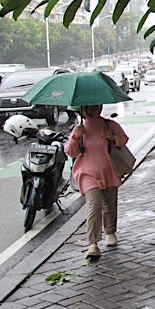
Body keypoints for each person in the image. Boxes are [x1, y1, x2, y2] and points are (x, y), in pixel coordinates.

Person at [64, 104, 129, 258]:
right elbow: (70, 151)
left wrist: (112, 137)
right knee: (94, 204)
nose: (92, 111)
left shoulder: (110, 125)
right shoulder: (79, 129)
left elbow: (123, 139)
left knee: (110, 203)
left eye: (95, 107)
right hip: (87, 173)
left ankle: (110, 231)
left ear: (100, 107)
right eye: (87, 108)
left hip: (109, 170)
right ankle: (92, 243)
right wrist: (76, 137)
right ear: (82, 110)